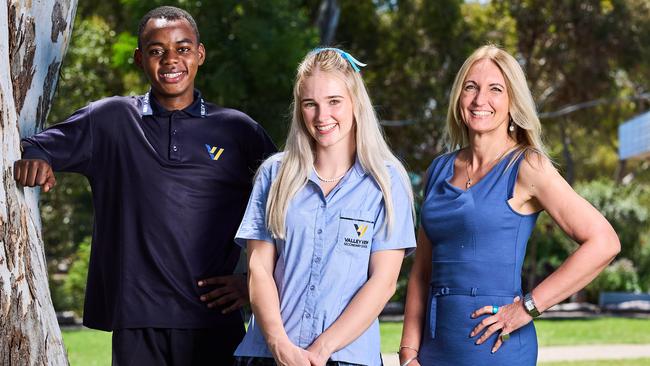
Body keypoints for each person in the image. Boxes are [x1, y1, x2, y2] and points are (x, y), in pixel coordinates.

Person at [13, 6, 276, 365]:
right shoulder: (109, 119)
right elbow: (32, 146)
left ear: (200, 54)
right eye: (157, 50)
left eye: (183, 49)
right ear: (140, 58)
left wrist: (250, 283)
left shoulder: (238, 130)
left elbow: (287, 210)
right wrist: (36, 158)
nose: (171, 60)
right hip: (136, 320)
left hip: (215, 320)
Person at [399, 45, 620, 366]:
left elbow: (604, 242)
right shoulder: (438, 169)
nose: (479, 100)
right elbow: (421, 272)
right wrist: (408, 352)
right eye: (470, 87)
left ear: (512, 102)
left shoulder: (528, 166)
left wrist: (528, 307)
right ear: (458, 95)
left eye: (495, 90)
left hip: (496, 348)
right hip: (434, 349)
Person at [232, 48, 416, 366]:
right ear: (299, 108)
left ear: (355, 102)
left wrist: (321, 350)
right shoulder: (274, 175)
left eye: (334, 101)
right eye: (310, 104)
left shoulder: (387, 183)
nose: (322, 116)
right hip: (268, 354)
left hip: (349, 357)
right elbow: (259, 269)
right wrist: (279, 345)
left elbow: (383, 283)